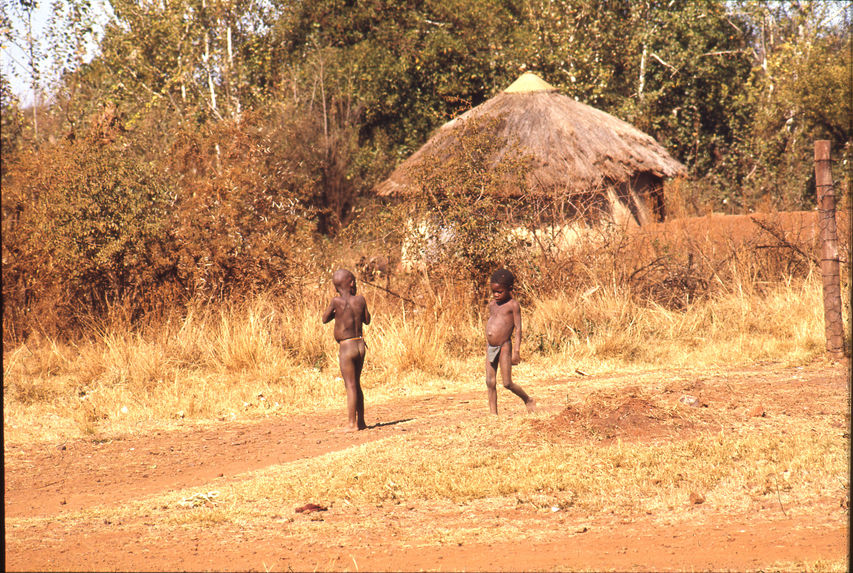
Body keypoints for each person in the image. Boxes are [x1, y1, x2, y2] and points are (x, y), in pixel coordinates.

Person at [322, 269, 371, 432]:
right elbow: (367, 320)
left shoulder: (336, 302)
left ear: (336, 287)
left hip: (346, 347)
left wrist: (338, 311)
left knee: (350, 385)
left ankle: (351, 424)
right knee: (357, 384)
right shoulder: (361, 300)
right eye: (354, 281)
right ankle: (361, 422)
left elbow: (324, 319)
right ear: (350, 283)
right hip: (360, 345)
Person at [485, 268, 536, 414]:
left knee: (507, 383)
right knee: (490, 381)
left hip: (504, 347)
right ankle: (493, 414)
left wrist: (516, 352)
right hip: (490, 346)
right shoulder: (492, 304)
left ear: (509, 289)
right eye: (493, 291)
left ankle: (527, 399)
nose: (496, 295)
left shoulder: (513, 305)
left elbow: (518, 329)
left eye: (499, 291)